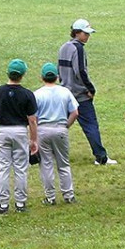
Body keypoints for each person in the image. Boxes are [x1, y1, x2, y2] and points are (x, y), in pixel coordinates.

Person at [0, 59, 39, 214]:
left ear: (8, 73)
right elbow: (32, 120)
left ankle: (3, 204)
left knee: (3, 168)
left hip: (3, 131)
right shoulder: (27, 94)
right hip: (20, 131)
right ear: (23, 75)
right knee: (21, 168)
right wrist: (34, 140)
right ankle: (20, 203)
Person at [58, 19, 117, 165]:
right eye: (86, 33)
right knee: (91, 126)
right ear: (77, 33)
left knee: (56, 124)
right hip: (79, 95)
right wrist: (90, 89)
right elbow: (81, 72)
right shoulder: (78, 48)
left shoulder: (63, 47)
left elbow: (59, 70)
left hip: (64, 92)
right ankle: (101, 157)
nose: (88, 37)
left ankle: (40, 151)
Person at [34, 62, 79, 205]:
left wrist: (33, 137)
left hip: (43, 130)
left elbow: (33, 118)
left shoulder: (37, 94)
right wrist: (66, 125)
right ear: (57, 77)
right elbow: (75, 112)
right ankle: (68, 195)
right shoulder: (65, 92)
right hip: (60, 129)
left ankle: (50, 197)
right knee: (63, 164)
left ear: (42, 77)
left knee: (46, 164)